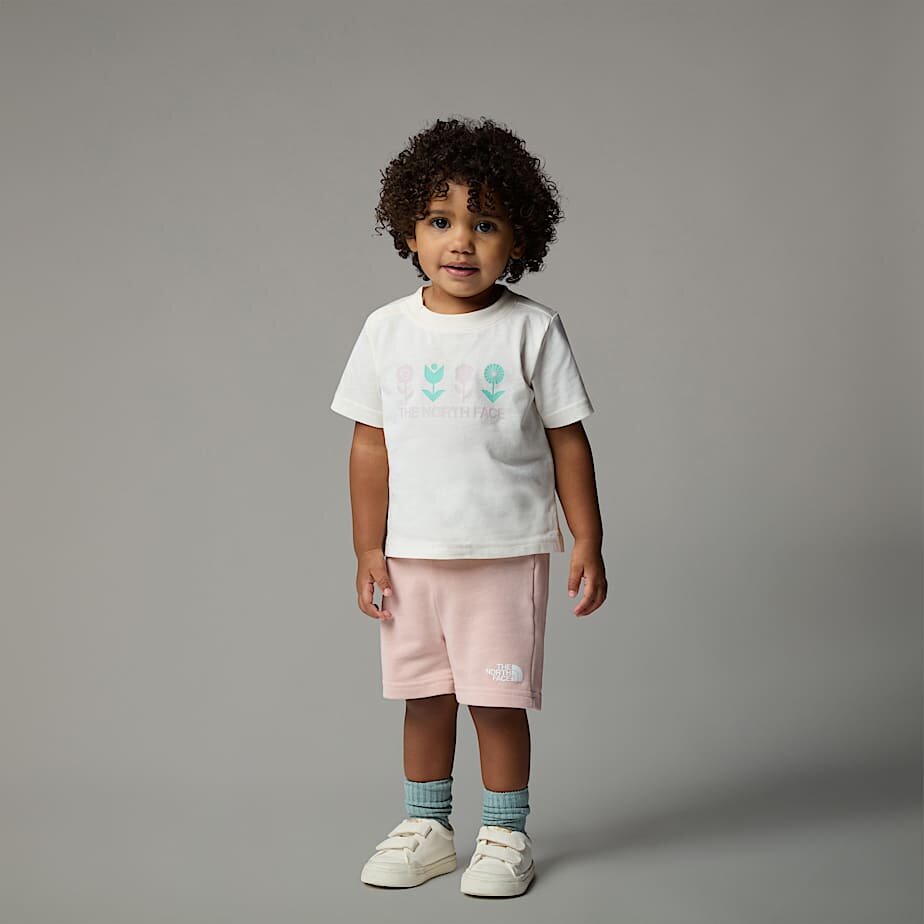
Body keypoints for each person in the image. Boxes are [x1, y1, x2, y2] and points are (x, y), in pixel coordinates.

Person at [329, 116, 607, 898]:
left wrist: (587, 537)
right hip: (412, 557)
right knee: (424, 698)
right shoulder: (386, 331)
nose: (461, 241)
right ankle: (427, 829)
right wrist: (367, 547)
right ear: (408, 232)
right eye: (440, 221)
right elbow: (369, 447)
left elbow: (568, 441)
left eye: (484, 224)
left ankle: (504, 834)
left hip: (504, 554)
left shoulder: (532, 329)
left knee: (496, 701)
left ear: (519, 239)